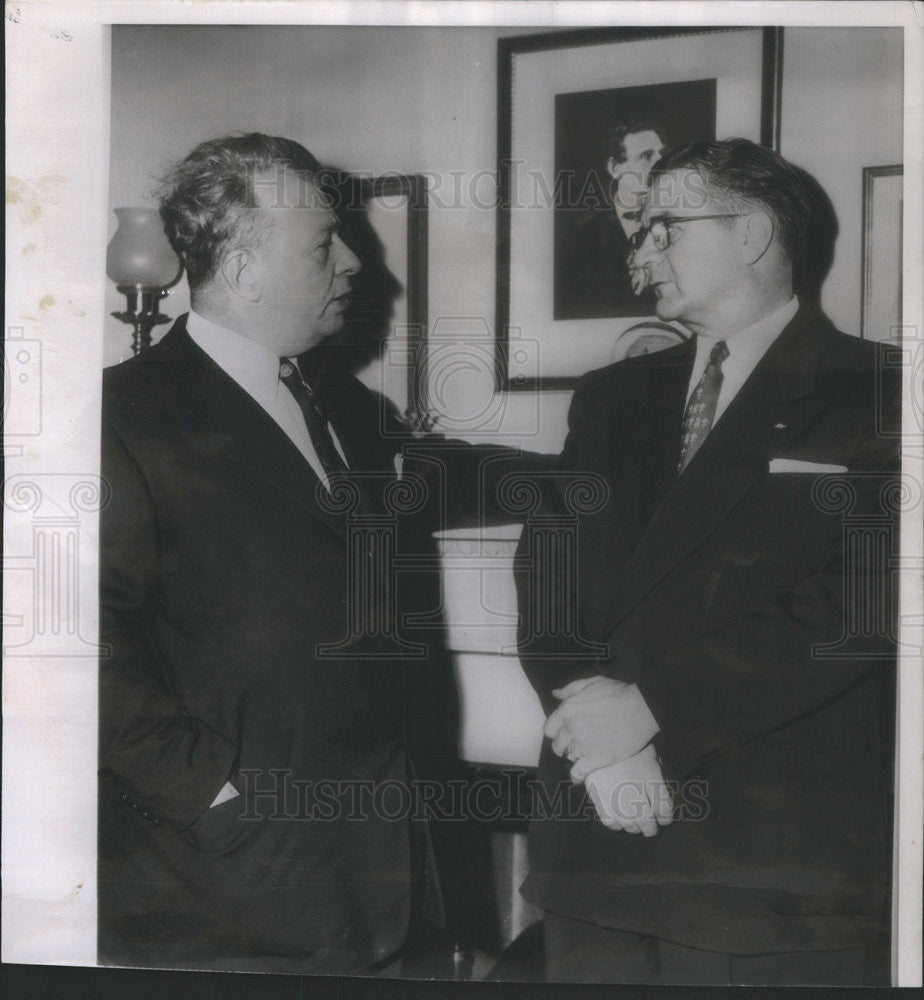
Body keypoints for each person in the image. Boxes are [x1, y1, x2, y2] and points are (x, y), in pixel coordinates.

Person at [98, 132, 529, 974]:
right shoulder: (122, 417)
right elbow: (78, 649)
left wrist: (621, 466)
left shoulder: (343, 407)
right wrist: (215, 795)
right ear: (246, 267)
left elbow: (459, 474)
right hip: (228, 889)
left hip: (389, 876)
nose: (357, 266)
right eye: (326, 243)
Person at [518, 138, 900, 986]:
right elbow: (548, 581)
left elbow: (867, 600)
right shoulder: (610, 398)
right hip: (597, 841)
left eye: (664, 227)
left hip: (769, 870)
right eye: (637, 229)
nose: (639, 251)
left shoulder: (883, 389)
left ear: (755, 234)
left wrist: (653, 709)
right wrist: (602, 749)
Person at [554, 122, 662, 319]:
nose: (661, 162)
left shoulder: (684, 227)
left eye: (661, 154)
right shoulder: (579, 240)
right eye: (647, 156)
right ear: (615, 168)